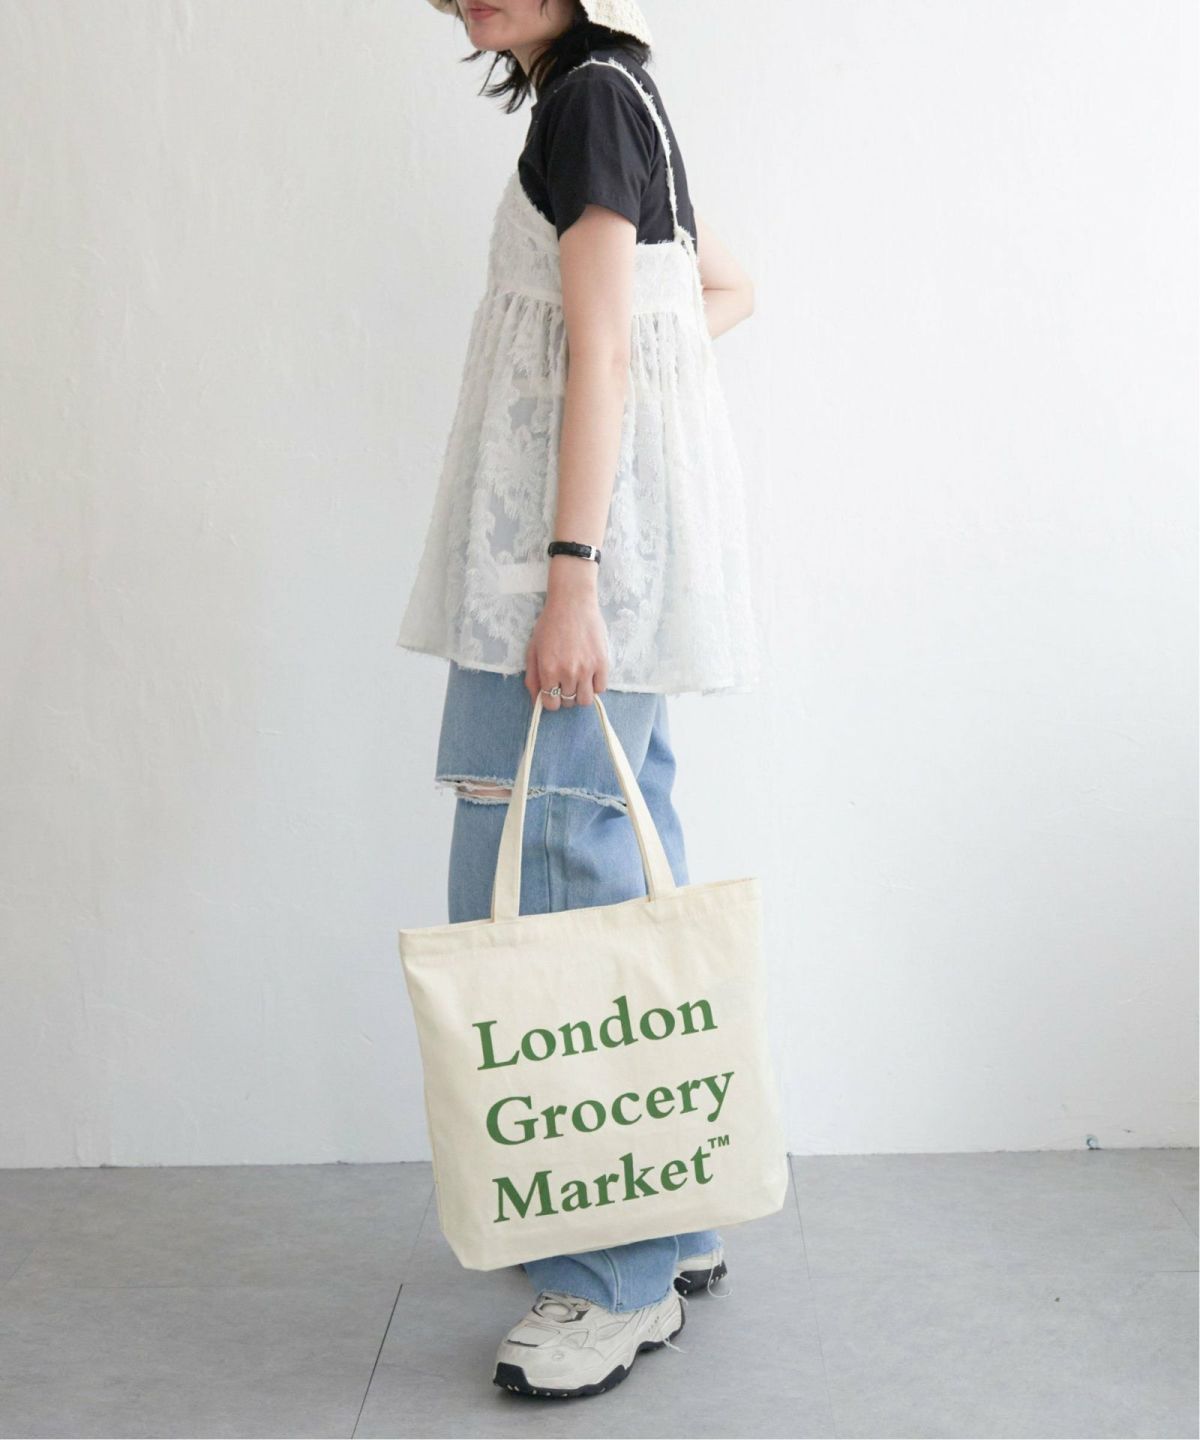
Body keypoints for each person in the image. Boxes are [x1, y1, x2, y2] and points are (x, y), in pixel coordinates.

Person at [397, 0, 760, 1400]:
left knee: (549, 880)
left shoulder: (593, 99)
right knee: (610, 866)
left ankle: (611, 1282)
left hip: (563, 575)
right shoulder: (611, 91)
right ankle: (667, 1216)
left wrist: (570, 578)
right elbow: (716, 293)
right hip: (606, 562)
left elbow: (610, 347)